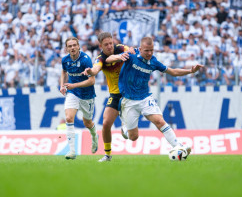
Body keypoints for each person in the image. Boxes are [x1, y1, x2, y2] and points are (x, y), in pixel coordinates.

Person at [106, 36, 203, 156]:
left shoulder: (154, 62)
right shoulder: (130, 55)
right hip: (128, 100)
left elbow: (173, 72)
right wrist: (119, 56)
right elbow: (108, 59)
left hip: (145, 98)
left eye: (151, 50)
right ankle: (124, 128)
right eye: (146, 50)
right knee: (133, 137)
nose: (149, 53)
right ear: (140, 49)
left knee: (159, 121)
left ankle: (178, 146)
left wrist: (190, 71)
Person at [82, 32, 135, 162]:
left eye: (111, 43)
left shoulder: (121, 48)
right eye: (106, 45)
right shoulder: (100, 58)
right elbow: (95, 69)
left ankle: (126, 124)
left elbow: (132, 51)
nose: (110, 46)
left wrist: (132, 51)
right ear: (101, 45)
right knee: (106, 124)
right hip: (115, 94)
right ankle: (108, 155)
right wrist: (90, 72)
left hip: (129, 91)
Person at [60, 37, 98, 160]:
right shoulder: (65, 60)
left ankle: (94, 137)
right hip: (72, 93)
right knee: (69, 117)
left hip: (87, 95)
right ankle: (72, 151)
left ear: (78, 46)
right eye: (69, 46)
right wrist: (62, 85)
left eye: (74, 45)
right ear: (66, 48)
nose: (72, 48)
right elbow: (63, 72)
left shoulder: (86, 60)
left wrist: (74, 85)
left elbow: (92, 81)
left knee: (87, 122)